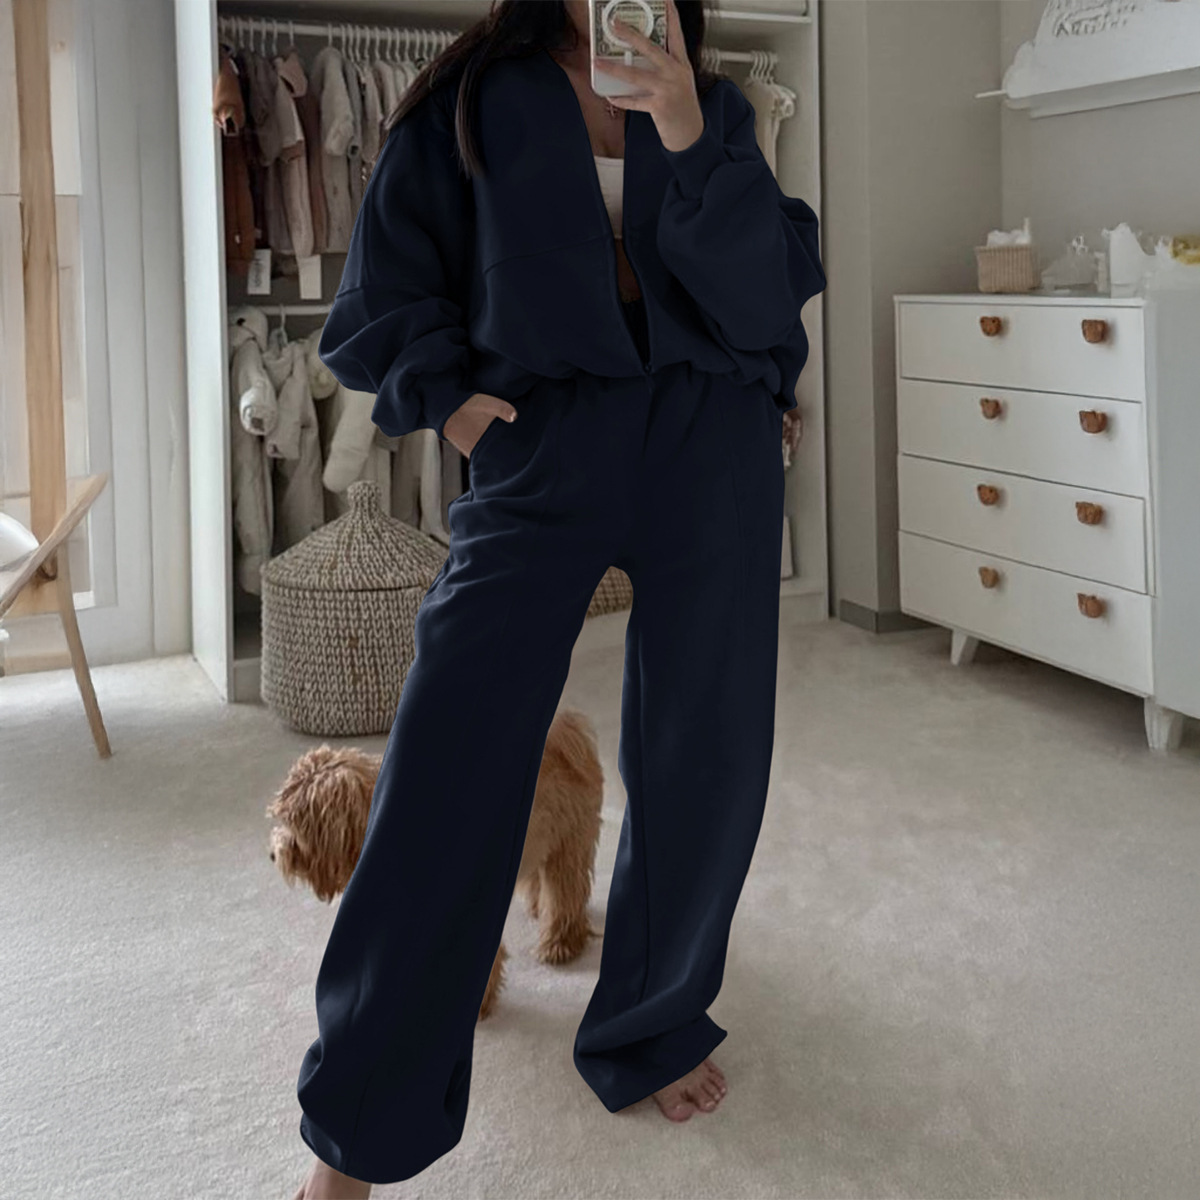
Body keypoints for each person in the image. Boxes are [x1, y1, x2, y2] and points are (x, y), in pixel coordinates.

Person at [291, 1, 825, 1195]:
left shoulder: (714, 102)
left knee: (706, 748)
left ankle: (653, 1024)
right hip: (544, 435)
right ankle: (359, 1120)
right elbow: (388, 277)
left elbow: (767, 293)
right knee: (450, 751)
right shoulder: (471, 100)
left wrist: (683, 127)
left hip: (712, 434)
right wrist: (447, 400)